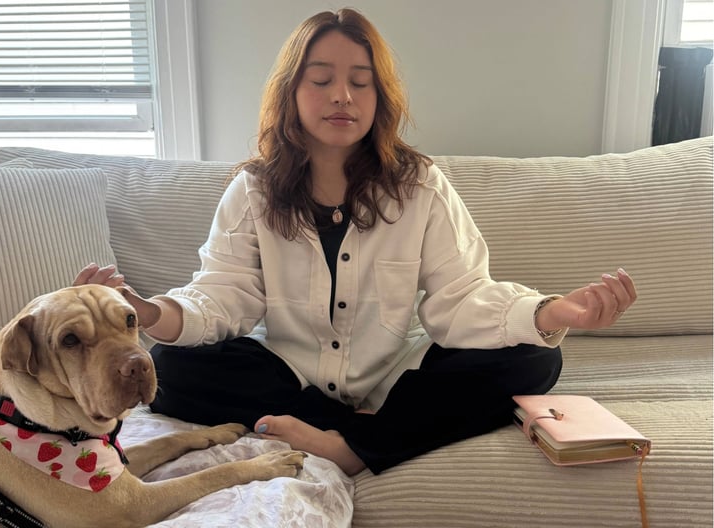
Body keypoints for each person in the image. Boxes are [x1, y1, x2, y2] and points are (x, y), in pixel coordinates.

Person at [74, 8, 637, 476]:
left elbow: (461, 299)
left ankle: (350, 445)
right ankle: (351, 430)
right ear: (292, 92)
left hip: (396, 377)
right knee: (169, 365)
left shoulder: (421, 186)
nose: (341, 95)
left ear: (379, 95)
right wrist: (146, 311)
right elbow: (223, 297)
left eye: (359, 81)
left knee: (538, 357)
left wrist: (551, 311)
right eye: (321, 80)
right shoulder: (253, 189)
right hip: (289, 374)